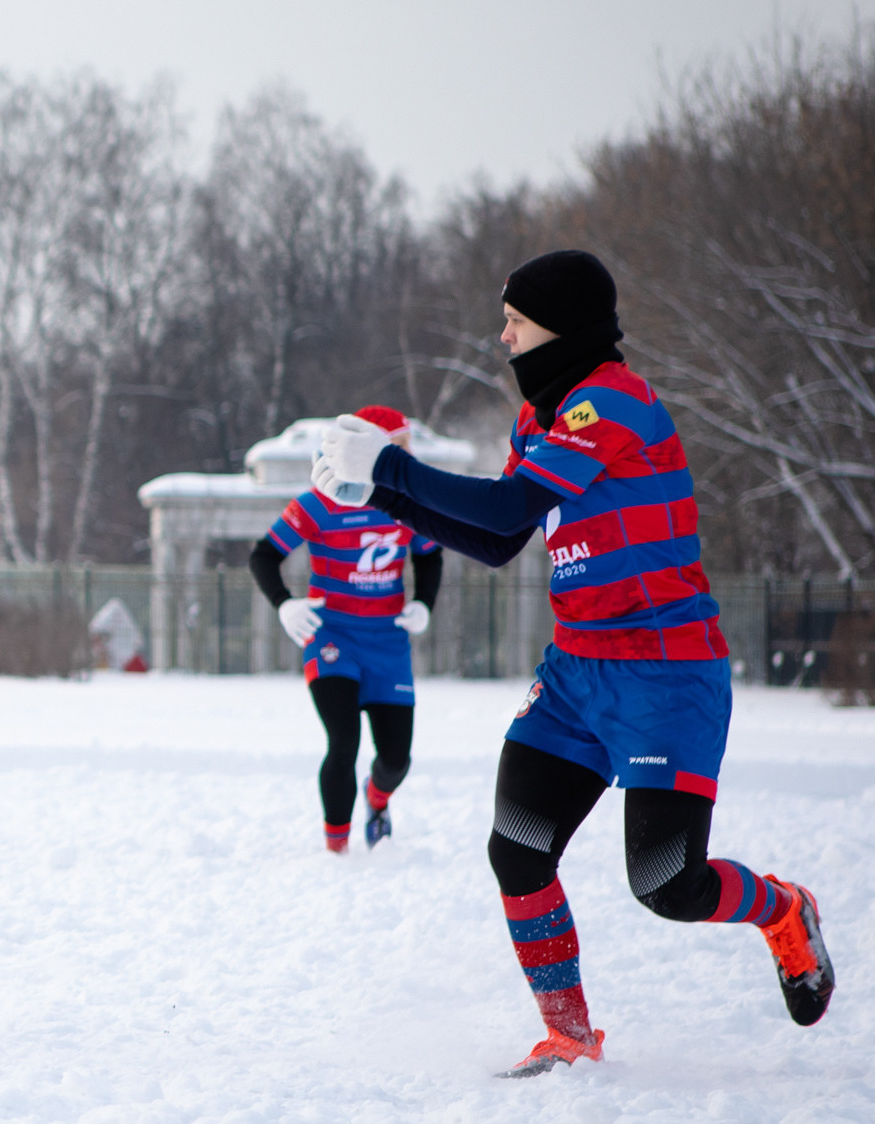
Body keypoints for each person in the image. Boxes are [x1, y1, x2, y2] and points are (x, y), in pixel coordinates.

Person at [316, 249, 836, 1076]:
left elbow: (512, 503)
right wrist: (377, 496)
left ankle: (784, 908)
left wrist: (389, 466)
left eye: (516, 320)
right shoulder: (544, 418)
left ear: (558, 326)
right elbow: (496, 539)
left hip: (665, 674)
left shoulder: (609, 404)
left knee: (668, 883)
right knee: (518, 848)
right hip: (575, 676)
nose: (504, 335)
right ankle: (569, 1034)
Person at [248, 407, 442, 852]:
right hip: (332, 636)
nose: (410, 454)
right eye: (402, 444)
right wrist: (285, 605)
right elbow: (263, 555)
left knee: (396, 758)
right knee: (343, 740)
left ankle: (377, 802)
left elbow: (430, 555)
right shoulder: (319, 500)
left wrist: (423, 604)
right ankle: (336, 851)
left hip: (389, 642)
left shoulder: (407, 501)